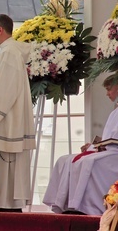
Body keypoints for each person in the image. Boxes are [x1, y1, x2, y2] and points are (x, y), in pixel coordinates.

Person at [43, 74, 118, 215]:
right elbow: (110, 138)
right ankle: (65, 204)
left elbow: (113, 140)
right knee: (65, 159)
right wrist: (93, 145)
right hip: (109, 150)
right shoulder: (115, 111)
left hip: (114, 154)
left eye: (109, 89)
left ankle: (86, 207)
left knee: (89, 161)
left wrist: (100, 146)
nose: (107, 93)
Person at [0, 14, 36, 212]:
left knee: (6, 161)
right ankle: (6, 204)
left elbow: (6, 87)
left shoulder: (9, 53)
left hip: (8, 118)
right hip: (9, 116)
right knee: (6, 163)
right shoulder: (10, 51)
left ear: (0, 29)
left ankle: (7, 205)